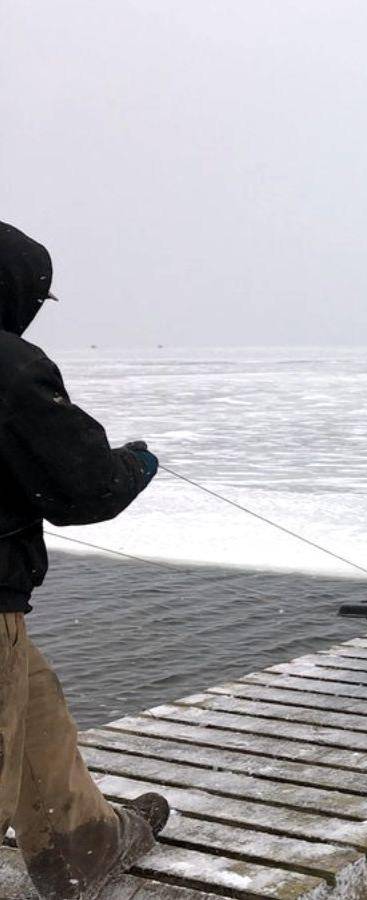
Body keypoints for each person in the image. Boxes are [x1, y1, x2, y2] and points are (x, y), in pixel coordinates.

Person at [0, 221, 168, 899]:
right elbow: (84, 488)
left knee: (33, 700)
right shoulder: (8, 365)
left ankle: (82, 845)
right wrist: (136, 463)